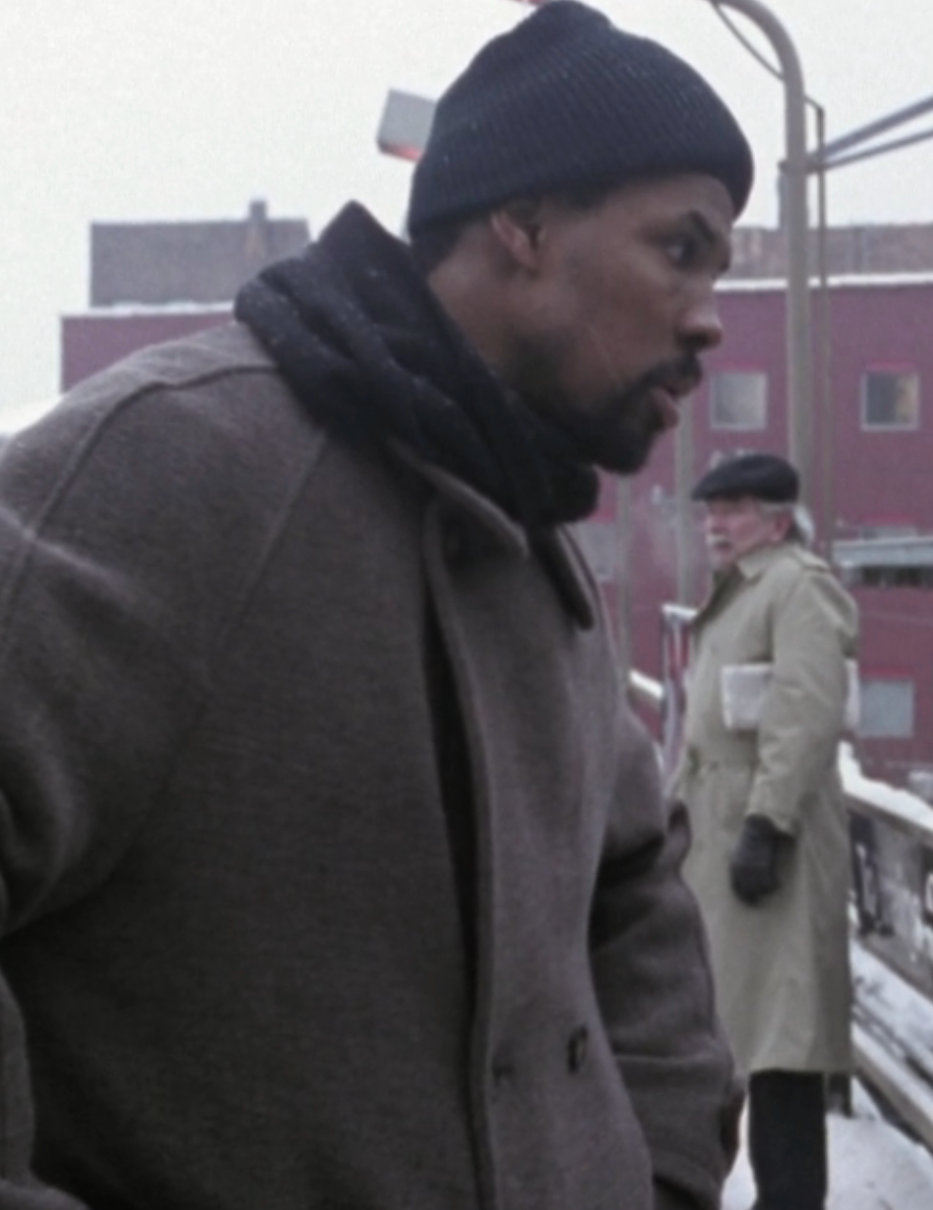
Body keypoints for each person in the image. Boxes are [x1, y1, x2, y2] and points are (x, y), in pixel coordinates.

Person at [0, 4, 753, 1207]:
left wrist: (657, 1166)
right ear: (523, 221)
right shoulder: (185, 467)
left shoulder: (539, 553)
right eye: (680, 248)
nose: (711, 316)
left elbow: (633, 887)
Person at [671, 452, 859, 1210]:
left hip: (765, 856)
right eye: (711, 510)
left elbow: (804, 712)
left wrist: (767, 824)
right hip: (726, 846)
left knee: (779, 1053)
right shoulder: (747, 591)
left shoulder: (794, 588)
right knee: (746, 1041)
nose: (715, 522)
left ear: (778, 519)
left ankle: (787, 1201)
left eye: (735, 508)